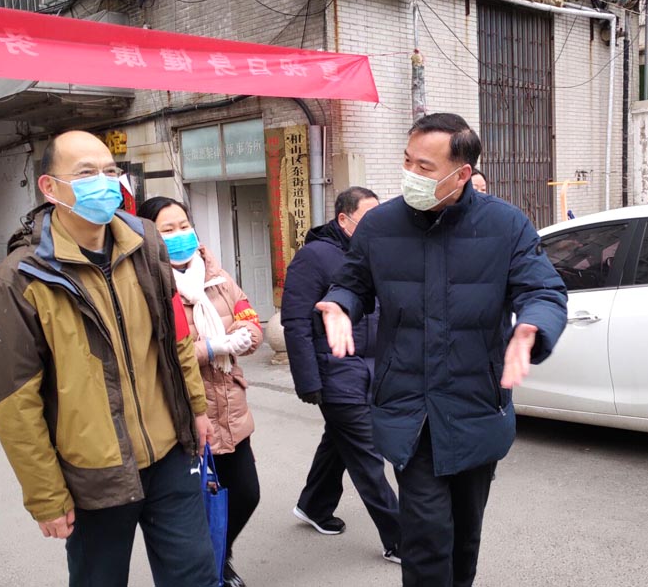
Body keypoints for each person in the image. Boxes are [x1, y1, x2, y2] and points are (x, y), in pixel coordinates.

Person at [316, 113, 568, 587]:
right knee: (426, 537)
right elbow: (352, 282)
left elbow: (544, 290)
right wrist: (339, 304)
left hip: (476, 406)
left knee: (465, 538)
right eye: (407, 161)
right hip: (409, 409)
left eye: (425, 167)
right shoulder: (379, 225)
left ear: (462, 174)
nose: (410, 173)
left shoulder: (506, 225)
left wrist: (532, 326)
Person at [0, 131, 218, 587]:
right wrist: (46, 495)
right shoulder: (20, 279)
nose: (104, 182)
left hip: (169, 454)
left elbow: (174, 338)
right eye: (86, 173)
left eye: (110, 171)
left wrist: (197, 407)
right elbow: (14, 403)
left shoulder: (145, 242)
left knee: (196, 577)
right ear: (50, 187)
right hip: (94, 477)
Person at [138, 196, 262, 587]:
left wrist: (244, 337)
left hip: (230, 408)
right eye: (168, 229)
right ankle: (211, 568)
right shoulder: (146, 284)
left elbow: (250, 321)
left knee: (246, 494)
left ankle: (219, 555)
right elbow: (157, 354)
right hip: (187, 416)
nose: (180, 235)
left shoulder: (217, 277)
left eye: (184, 226)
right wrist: (213, 346)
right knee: (194, 507)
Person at [281, 187, 402, 564]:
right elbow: (295, 322)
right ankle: (401, 539)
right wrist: (308, 380)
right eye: (368, 218)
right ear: (344, 219)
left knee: (339, 442)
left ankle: (313, 505)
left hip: (370, 369)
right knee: (368, 456)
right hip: (335, 372)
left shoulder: (372, 253)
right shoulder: (314, 257)